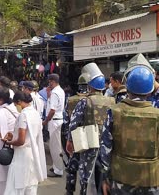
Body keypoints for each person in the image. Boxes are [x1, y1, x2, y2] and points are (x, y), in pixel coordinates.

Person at [100, 62, 159, 194]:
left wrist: (105, 177)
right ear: (150, 90)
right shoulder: (157, 114)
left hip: (121, 179)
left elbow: (105, 148)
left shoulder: (114, 112)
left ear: (127, 88)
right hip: (152, 181)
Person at [66, 63, 114, 195]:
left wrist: (70, 141)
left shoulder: (85, 101)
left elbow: (73, 123)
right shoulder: (111, 101)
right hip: (106, 145)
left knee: (86, 174)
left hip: (89, 142)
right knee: (103, 174)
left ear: (90, 86)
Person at [3, 91, 47, 194]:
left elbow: (21, 141)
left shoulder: (24, 115)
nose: (16, 107)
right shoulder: (36, 113)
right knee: (31, 184)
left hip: (22, 154)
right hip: (33, 153)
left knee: (17, 185)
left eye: (15, 104)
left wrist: (9, 142)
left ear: (19, 102)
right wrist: (13, 135)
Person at [0, 87, 19, 195]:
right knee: (13, 177)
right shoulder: (16, 108)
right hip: (15, 145)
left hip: (1, 147)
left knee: (2, 178)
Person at [64, 73, 89, 195]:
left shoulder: (71, 100)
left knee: (72, 166)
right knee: (86, 168)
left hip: (75, 136)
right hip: (90, 137)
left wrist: (67, 139)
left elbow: (66, 121)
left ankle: (69, 190)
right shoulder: (93, 101)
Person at [42, 74, 65, 177]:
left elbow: (52, 110)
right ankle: (56, 166)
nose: (49, 84)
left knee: (55, 147)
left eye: (50, 82)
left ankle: (58, 170)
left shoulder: (55, 92)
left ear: (52, 81)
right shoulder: (60, 91)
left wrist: (46, 121)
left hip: (54, 120)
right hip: (57, 120)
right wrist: (48, 93)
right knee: (56, 145)